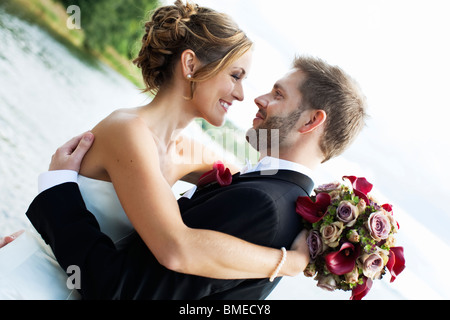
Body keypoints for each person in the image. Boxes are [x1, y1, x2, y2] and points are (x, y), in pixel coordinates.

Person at [0, 1, 314, 299]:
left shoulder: (192, 154)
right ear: (190, 64)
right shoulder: (128, 131)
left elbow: (260, 190)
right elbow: (176, 246)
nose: (242, 94)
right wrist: (287, 263)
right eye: (235, 76)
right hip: (27, 282)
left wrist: (327, 224)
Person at [22, 55, 367, 300]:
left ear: (311, 122)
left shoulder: (262, 204)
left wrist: (59, 193)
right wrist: (38, 248)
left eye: (278, 94)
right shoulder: (272, 195)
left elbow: (120, 290)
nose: (256, 98)